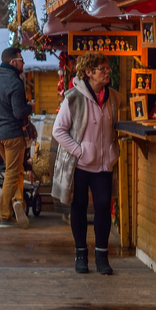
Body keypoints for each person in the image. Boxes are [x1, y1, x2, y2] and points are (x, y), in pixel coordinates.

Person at [51, 52, 121, 275]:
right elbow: (58, 130)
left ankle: (102, 257)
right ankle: (81, 255)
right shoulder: (73, 97)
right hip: (81, 165)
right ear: (88, 72)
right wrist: (79, 150)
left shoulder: (114, 98)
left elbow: (116, 127)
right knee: (79, 208)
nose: (107, 71)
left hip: (103, 165)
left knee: (102, 206)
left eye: (107, 68)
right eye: (102, 68)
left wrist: (113, 149)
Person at [0, 46, 34, 230]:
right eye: (22, 61)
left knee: (16, 169)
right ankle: (5, 215)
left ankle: (18, 200)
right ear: (13, 62)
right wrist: (30, 106)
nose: (23, 64)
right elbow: (19, 112)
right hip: (13, 134)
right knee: (12, 173)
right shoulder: (15, 82)